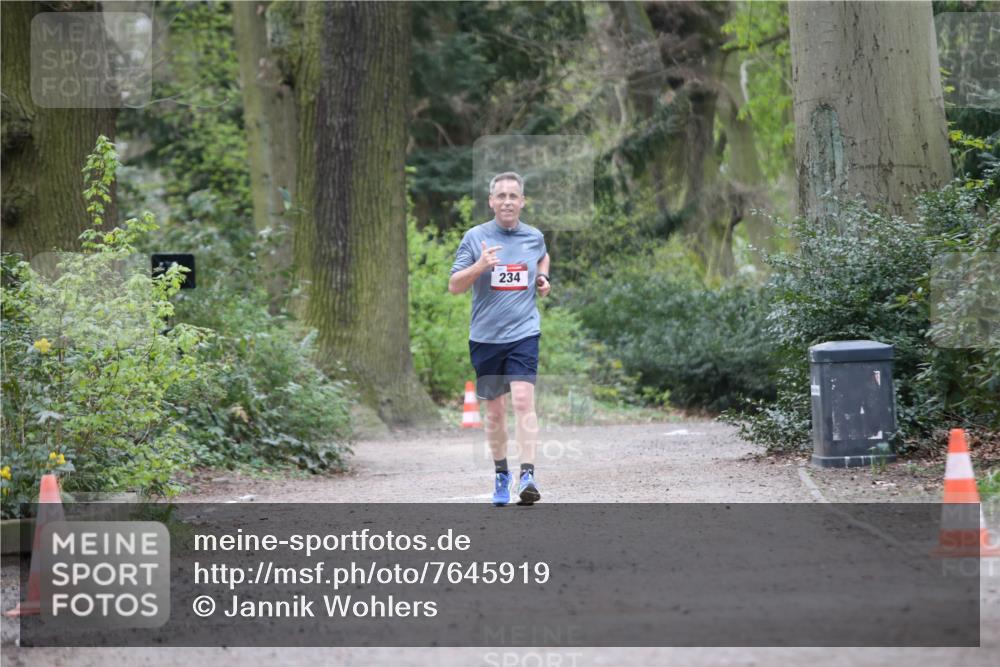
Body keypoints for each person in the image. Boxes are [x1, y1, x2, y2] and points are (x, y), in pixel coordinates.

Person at [449, 172, 550, 506]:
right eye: (501, 196)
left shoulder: (533, 236)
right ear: (491, 201)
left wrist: (544, 277)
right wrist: (480, 266)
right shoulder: (475, 237)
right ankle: (501, 474)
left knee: (523, 401)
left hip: (524, 332)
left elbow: (541, 256)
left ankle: (528, 475)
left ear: (522, 201)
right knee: (494, 413)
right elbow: (455, 285)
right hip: (486, 338)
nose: (507, 201)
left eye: (513, 196)